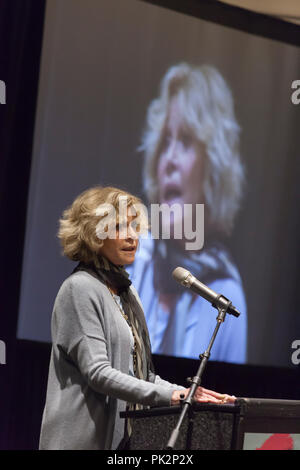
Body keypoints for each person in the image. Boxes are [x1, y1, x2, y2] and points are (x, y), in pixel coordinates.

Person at [39, 186, 235, 450]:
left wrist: (187, 394)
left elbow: (139, 375)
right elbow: (98, 373)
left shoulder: (127, 292)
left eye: (134, 226)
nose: (133, 237)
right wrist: (171, 396)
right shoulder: (80, 288)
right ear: (93, 235)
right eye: (119, 227)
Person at [127, 63, 247, 363]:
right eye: (166, 141)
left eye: (185, 142)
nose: (169, 160)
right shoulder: (133, 260)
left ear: (213, 167)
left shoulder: (226, 294)